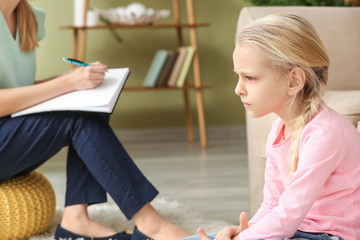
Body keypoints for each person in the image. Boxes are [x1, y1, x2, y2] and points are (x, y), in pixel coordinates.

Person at [0, 1, 191, 240]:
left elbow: (17, 88)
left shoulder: (29, 17)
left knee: (87, 108)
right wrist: (66, 84)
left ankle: (76, 219)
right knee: (76, 118)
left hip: (9, 137)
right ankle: (151, 225)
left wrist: (68, 79)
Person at [183, 13, 360, 240]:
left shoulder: (324, 135)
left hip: (329, 236)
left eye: (250, 77)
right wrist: (247, 230)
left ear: (294, 81)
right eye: (238, 76)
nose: (238, 89)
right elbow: (272, 205)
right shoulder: (278, 131)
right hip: (295, 231)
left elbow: (285, 219)